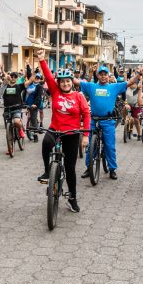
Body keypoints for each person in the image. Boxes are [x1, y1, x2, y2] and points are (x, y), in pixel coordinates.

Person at [35, 49, 90, 213]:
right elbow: (48, 75)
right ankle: (47, 171)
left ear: (71, 82)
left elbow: (86, 115)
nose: (65, 83)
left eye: (67, 81)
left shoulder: (79, 96)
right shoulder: (55, 91)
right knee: (45, 143)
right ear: (58, 83)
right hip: (55, 129)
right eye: (62, 81)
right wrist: (42, 59)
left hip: (72, 134)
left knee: (70, 168)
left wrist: (85, 136)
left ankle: (72, 198)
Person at [78, 63, 141, 181]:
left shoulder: (114, 87)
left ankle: (112, 169)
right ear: (98, 75)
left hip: (108, 121)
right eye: (101, 74)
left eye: (105, 74)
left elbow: (129, 82)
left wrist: (139, 74)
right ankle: (89, 167)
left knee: (110, 146)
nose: (103, 76)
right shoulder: (91, 86)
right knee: (91, 144)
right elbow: (77, 82)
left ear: (108, 76)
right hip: (93, 120)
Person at [0, 70, 36, 153]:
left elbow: (30, 81)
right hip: (7, 109)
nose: (13, 78)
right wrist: (4, 74)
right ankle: (10, 148)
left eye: (15, 77)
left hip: (17, 108)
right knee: (8, 130)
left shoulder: (19, 86)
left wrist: (34, 73)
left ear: (17, 78)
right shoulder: (5, 86)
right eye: (12, 76)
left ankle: (20, 130)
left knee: (17, 121)